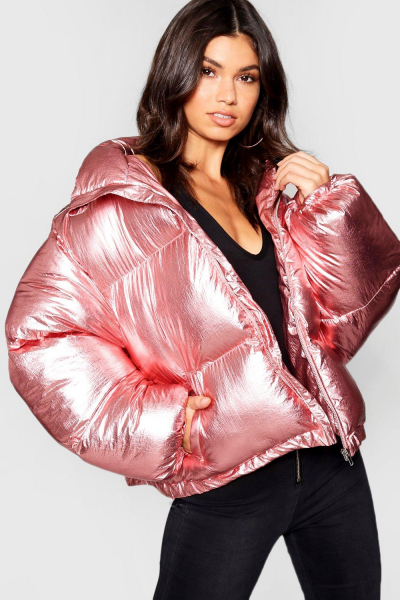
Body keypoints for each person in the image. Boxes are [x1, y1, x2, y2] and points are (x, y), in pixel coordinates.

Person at [5, 1, 400, 598]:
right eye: (209, 71)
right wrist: (161, 420)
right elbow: (38, 338)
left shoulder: (269, 187)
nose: (228, 95)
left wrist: (327, 211)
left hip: (331, 466)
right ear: (176, 74)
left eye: (247, 77)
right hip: (228, 484)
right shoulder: (124, 204)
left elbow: (342, 322)